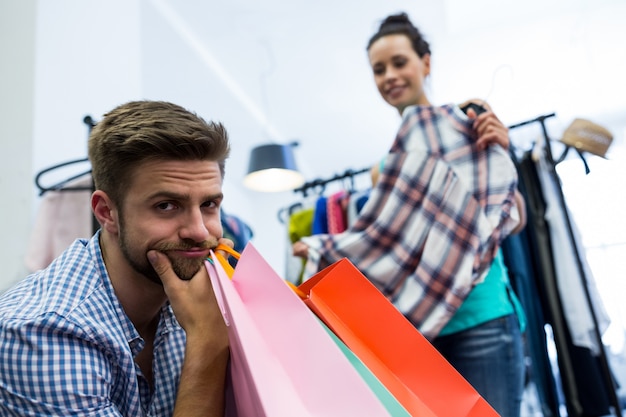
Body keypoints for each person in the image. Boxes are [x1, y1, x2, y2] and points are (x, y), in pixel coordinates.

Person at [293, 12, 526, 417]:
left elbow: (512, 218)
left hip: (483, 318)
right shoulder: (384, 167)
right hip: (416, 332)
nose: (389, 76)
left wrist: (503, 155)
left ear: (426, 63)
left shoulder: (469, 119)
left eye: (399, 62)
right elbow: (384, 244)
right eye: (378, 70)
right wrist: (324, 250)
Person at [0, 100, 232, 416]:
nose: (198, 231)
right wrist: (208, 341)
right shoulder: (40, 332)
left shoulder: (207, 294)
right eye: (166, 205)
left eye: (208, 205)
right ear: (106, 212)